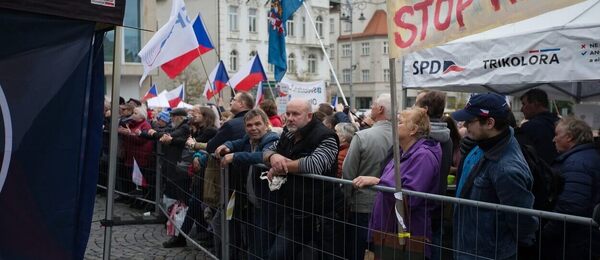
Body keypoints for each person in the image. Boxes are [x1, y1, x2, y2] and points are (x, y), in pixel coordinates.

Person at [451, 93, 538, 260]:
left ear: (490, 123)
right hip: (469, 246)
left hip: (487, 253)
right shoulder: (485, 144)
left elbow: (522, 221)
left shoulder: (507, 168)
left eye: (470, 121)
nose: (465, 125)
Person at [353, 107, 441, 259]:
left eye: (400, 122)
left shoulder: (423, 156)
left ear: (413, 130)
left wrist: (378, 181)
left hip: (407, 232)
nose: (394, 125)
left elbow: (411, 197)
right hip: (389, 228)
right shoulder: (401, 152)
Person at [264, 98, 341, 259]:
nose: (290, 117)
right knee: (276, 255)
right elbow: (270, 149)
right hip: (294, 211)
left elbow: (314, 164)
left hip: (321, 214)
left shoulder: (327, 136)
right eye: (288, 113)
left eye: (296, 114)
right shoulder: (288, 131)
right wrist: (273, 157)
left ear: (309, 116)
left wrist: (279, 167)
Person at [215, 109, 280, 260]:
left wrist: (235, 156)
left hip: (268, 204)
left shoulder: (271, 138)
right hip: (252, 203)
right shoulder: (248, 138)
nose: (254, 128)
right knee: (253, 243)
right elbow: (238, 142)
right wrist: (227, 145)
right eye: (249, 125)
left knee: (261, 247)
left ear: (266, 124)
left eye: (258, 124)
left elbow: (262, 156)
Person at [342, 93, 394, 260]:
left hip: (363, 205)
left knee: (357, 251)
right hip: (391, 205)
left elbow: (348, 173)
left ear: (380, 109)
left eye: (373, 104)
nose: (371, 107)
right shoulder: (404, 137)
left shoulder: (363, 137)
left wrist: (347, 200)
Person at [542, 116, 600, 259]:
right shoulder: (585, 157)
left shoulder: (577, 163)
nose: (553, 139)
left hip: (576, 240)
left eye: (557, 135)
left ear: (569, 137)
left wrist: (547, 232)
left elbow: (571, 206)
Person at [414, 90, 453, 259]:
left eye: (417, 106)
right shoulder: (447, 137)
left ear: (425, 110)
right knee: (435, 241)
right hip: (438, 198)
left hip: (419, 204)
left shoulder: (421, 139)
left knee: (417, 247)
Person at [516, 88, 559, 164]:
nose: (521, 109)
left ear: (535, 104)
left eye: (524, 104)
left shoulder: (529, 127)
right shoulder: (559, 123)